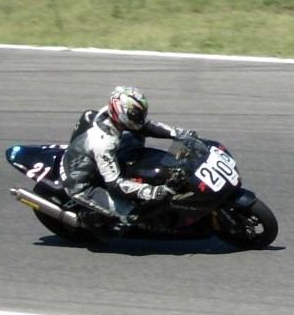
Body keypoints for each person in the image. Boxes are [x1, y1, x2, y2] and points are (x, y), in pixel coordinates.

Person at [61, 86, 195, 228]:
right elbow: (114, 184)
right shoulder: (104, 143)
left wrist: (177, 133)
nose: (140, 119)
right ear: (121, 111)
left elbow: (145, 126)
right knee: (131, 215)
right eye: (136, 115)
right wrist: (153, 192)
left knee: (136, 136)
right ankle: (93, 219)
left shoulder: (113, 116)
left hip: (96, 158)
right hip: (82, 185)